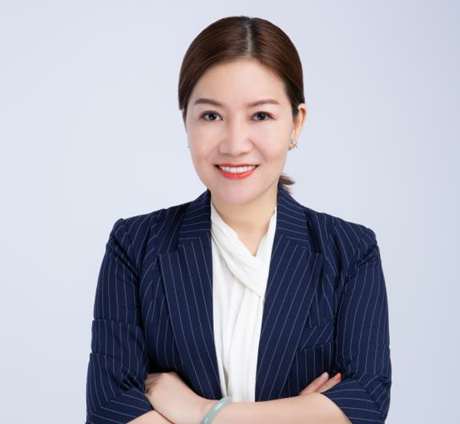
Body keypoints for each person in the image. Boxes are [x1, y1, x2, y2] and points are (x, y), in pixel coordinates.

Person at [84, 15, 392, 424]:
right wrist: (303, 414)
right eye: (211, 116)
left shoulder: (350, 251)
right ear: (186, 121)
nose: (234, 144)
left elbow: (365, 403)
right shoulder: (135, 245)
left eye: (260, 116)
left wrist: (200, 412)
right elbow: (109, 409)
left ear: (296, 122)